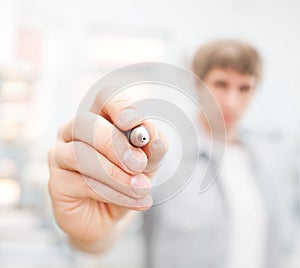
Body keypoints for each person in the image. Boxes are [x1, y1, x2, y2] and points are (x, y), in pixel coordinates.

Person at [48, 39, 298, 268]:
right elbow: (103, 238)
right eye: (221, 84)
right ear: (198, 84)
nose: (232, 101)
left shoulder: (266, 162)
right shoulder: (163, 157)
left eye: (245, 88)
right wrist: (86, 235)